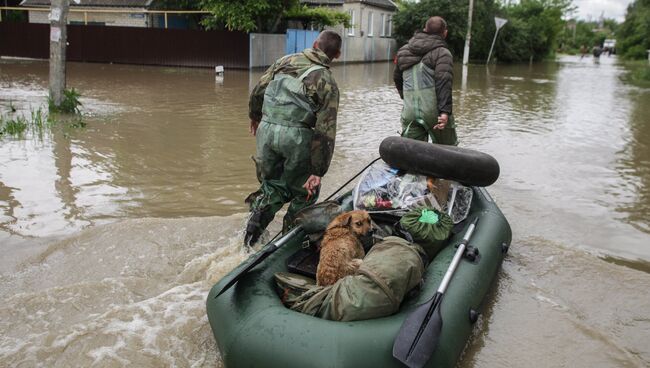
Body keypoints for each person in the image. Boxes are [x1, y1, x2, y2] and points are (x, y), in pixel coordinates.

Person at [244, 30, 342, 246]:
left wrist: (255, 116)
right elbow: (325, 130)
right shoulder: (327, 81)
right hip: (296, 137)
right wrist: (318, 171)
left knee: (272, 185)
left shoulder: (284, 60)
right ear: (337, 55)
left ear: (315, 44)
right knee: (305, 190)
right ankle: (287, 242)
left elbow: (259, 89)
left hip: (267, 131)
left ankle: (250, 236)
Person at [394, 16, 457, 145]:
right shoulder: (442, 53)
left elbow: (397, 78)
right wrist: (444, 112)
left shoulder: (403, 51)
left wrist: (405, 98)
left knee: (411, 153)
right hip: (435, 113)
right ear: (445, 33)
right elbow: (444, 82)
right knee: (448, 151)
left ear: (424, 29)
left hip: (409, 111)